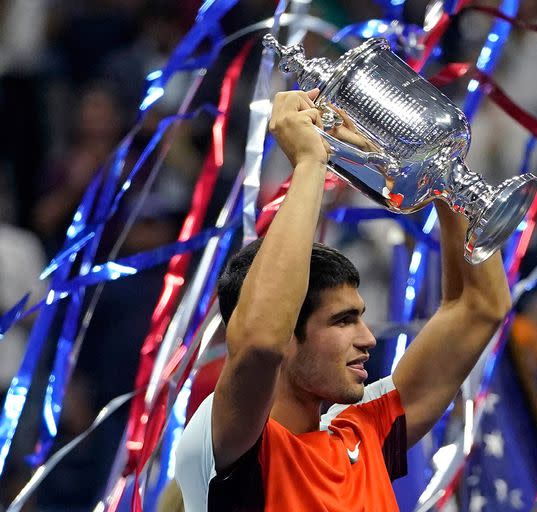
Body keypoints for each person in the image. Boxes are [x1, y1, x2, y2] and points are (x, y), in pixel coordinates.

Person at [174, 88, 512, 510]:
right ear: (289, 338)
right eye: (342, 321)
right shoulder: (227, 440)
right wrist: (313, 162)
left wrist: (443, 174)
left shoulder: (364, 430)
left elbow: (480, 308)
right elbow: (260, 341)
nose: (368, 338)